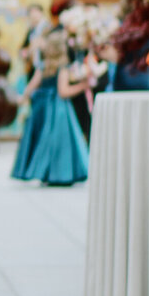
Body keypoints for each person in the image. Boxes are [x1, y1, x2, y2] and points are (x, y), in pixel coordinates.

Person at [12, 25, 90, 186]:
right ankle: (60, 173)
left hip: (42, 106)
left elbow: (34, 83)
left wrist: (24, 96)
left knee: (43, 142)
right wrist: (83, 86)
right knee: (58, 142)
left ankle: (44, 172)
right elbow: (63, 91)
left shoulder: (44, 65)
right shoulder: (63, 68)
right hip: (58, 108)